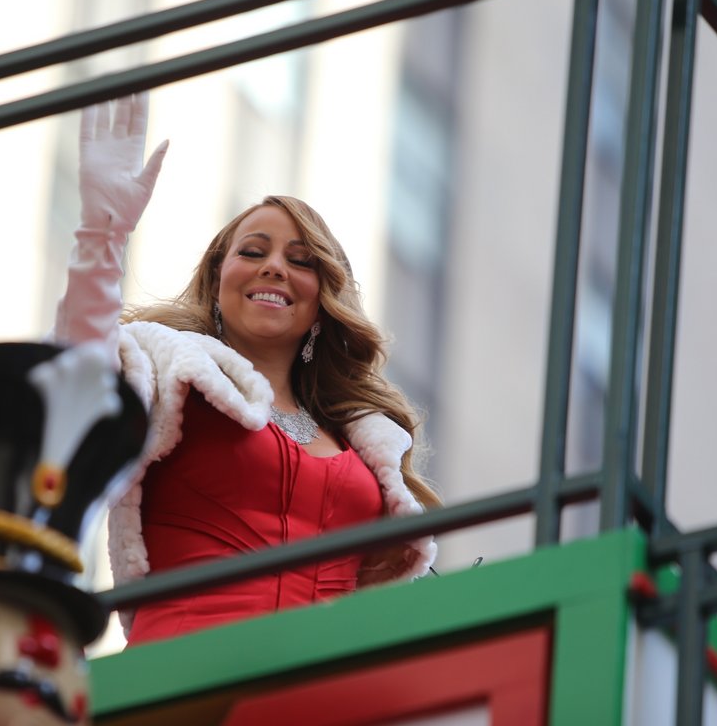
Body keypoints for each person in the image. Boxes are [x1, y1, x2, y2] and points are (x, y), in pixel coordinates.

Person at [54, 94, 440, 645]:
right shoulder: (163, 370)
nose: (275, 267)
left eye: (302, 261)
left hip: (330, 691)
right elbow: (74, 376)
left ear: (321, 300)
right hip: (189, 678)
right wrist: (101, 236)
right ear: (218, 280)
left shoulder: (366, 441)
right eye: (253, 252)